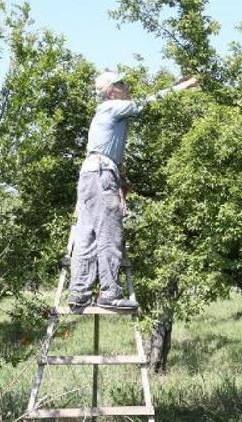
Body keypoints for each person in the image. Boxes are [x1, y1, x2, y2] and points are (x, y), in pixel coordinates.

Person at [67, 71, 197, 310]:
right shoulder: (113, 106)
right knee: (109, 233)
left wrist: (120, 180)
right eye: (120, 83)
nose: (126, 86)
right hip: (100, 173)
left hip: (90, 174)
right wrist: (183, 87)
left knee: (87, 234)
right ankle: (109, 293)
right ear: (110, 91)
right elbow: (147, 102)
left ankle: (79, 292)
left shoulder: (103, 114)